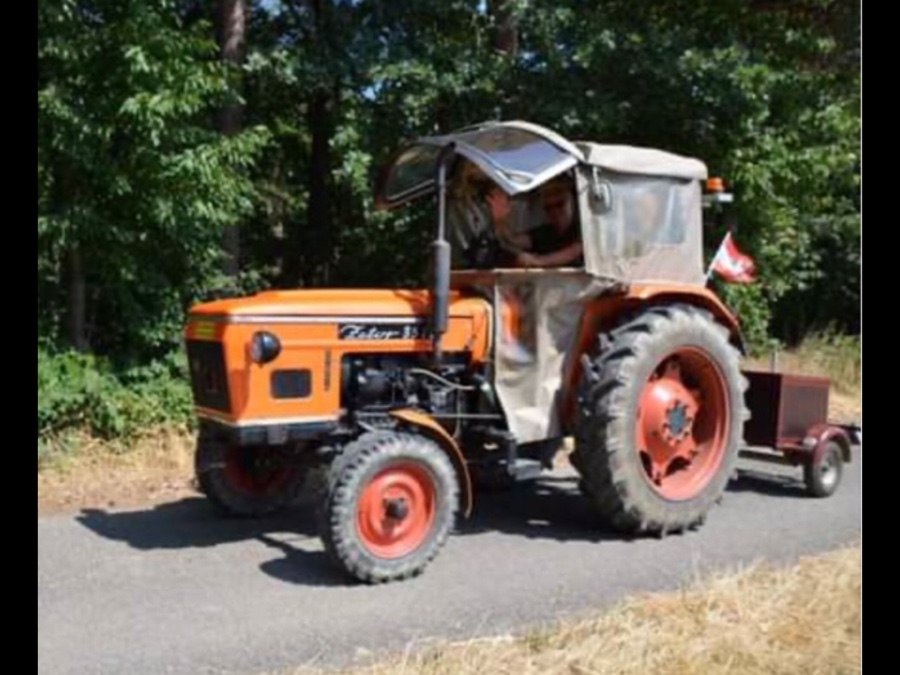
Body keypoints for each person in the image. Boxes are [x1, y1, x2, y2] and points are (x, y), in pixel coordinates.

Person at [485, 175, 583, 268]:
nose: (555, 212)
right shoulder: (546, 232)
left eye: (560, 204)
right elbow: (512, 240)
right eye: (549, 208)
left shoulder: (583, 230)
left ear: (572, 202)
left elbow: (575, 251)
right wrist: (500, 220)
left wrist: (538, 261)